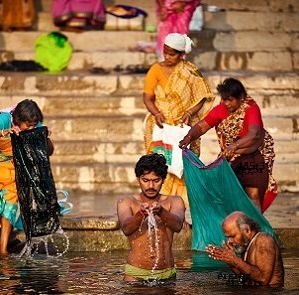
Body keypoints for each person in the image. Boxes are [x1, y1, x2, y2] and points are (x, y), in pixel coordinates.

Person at [179, 77, 277, 212]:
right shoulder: (220, 110)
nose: (226, 103)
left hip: (254, 155)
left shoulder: (251, 108)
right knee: (226, 195)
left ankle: (256, 228)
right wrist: (189, 137)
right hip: (231, 156)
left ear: (241, 97)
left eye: (230, 99)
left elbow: (254, 133)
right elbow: (201, 127)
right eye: (224, 99)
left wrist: (234, 146)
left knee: (253, 194)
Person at [143, 32, 215, 212]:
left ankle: (180, 210)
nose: (167, 57)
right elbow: (148, 98)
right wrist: (157, 113)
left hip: (183, 129)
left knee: (183, 167)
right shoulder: (155, 70)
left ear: (182, 54)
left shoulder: (190, 71)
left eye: (172, 54)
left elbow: (202, 96)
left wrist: (190, 112)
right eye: (165, 52)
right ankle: (158, 208)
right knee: (159, 165)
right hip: (161, 127)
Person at [117, 153, 185, 281]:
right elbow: (126, 228)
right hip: (135, 274)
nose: (151, 186)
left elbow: (177, 225)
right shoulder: (126, 202)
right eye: (145, 180)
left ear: (164, 179)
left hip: (167, 273)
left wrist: (161, 212)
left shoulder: (174, 201)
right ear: (138, 179)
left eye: (156, 180)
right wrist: (141, 213)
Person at [0, 99, 54, 255]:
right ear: (17, 121)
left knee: (10, 204)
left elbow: (49, 151)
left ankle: (3, 250)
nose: (31, 128)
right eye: (28, 126)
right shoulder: (3, 119)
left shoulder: (34, 124)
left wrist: (45, 138)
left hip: (12, 169)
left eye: (33, 125)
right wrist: (4, 132)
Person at [206, 211, 284, 286]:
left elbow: (262, 279)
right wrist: (229, 261)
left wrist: (234, 260)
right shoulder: (247, 245)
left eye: (232, 236)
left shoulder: (263, 241)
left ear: (247, 230)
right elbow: (246, 276)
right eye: (228, 237)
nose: (230, 241)